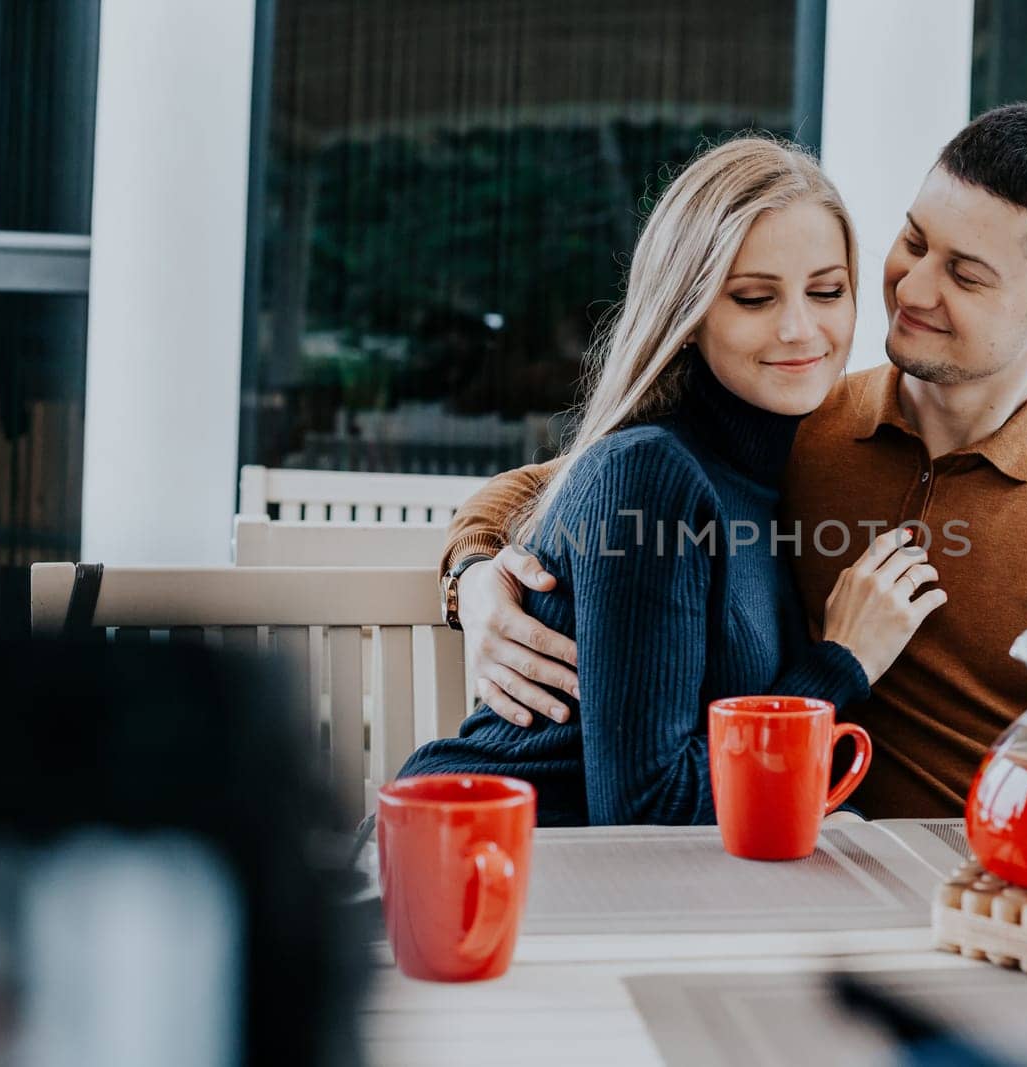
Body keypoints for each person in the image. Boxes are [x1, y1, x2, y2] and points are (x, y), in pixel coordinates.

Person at [441, 103, 1027, 818]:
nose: (912, 286)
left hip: (981, 880)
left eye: (966, 274)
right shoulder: (797, 416)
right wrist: (474, 581)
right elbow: (567, 484)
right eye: (913, 240)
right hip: (783, 864)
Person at [401, 137, 947, 826]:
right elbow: (644, 812)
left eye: (827, 291)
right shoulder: (649, 473)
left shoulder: (793, 455)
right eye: (752, 298)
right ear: (687, 317)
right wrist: (840, 664)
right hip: (480, 861)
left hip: (624, 890)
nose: (799, 328)